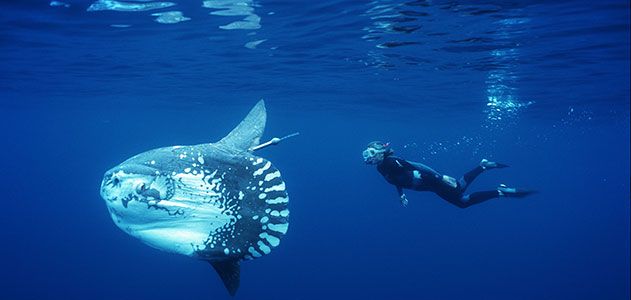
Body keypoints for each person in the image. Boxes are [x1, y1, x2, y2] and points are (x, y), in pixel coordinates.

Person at [362, 141, 534, 208]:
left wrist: (440, 177)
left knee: (462, 198)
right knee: (460, 194)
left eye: (370, 153)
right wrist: (401, 195)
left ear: (380, 151)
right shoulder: (381, 168)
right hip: (429, 187)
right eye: (367, 155)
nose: (369, 157)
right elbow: (395, 180)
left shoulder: (392, 161)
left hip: (431, 181)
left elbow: (418, 166)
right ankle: (484, 167)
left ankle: (498, 190)